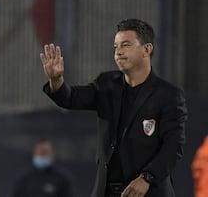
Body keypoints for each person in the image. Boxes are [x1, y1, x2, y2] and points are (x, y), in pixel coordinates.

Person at [40, 19, 188, 197]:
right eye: (115, 46)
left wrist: (147, 177)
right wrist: (56, 80)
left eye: (125, 45)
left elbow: (173, 147)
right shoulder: (106, 84)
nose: (118, 52)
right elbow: (70, 98)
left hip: (149, 192)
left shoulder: (168, 95)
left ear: (146, 49)